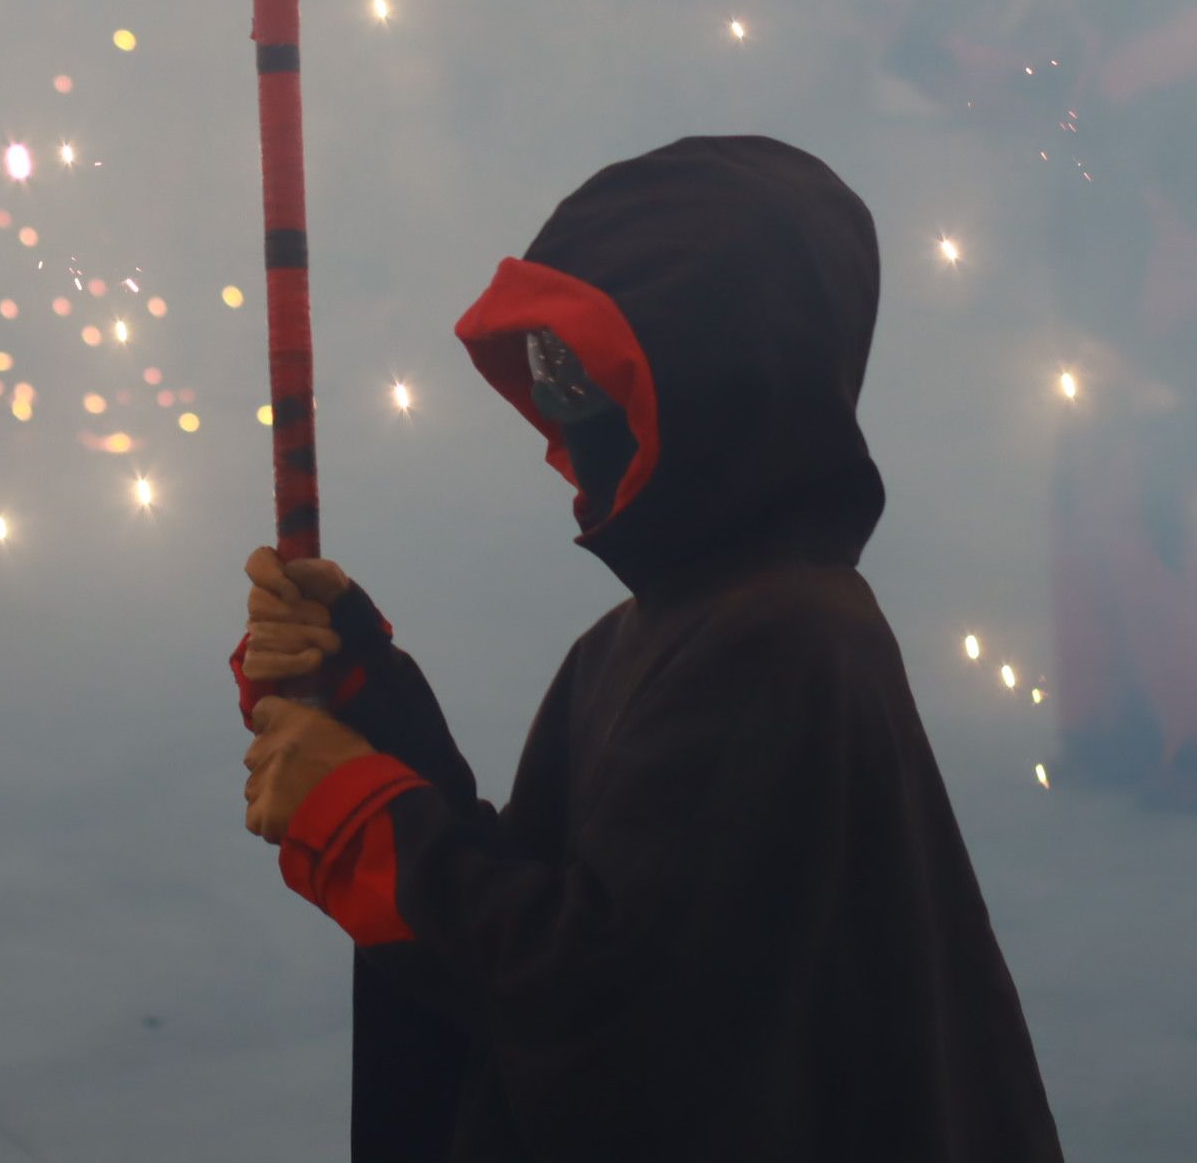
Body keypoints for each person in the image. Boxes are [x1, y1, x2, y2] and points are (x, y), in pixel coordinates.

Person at [234, 136, 1063, 1161]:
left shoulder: (780, 647)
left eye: (583, 369)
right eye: (549, 367)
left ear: (718, 381)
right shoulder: (676, 628)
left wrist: (362, 818)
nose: (562, 408)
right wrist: (361, 704)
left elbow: (601, 1001)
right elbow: (551, 888)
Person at [1038, 0, 1197, 807]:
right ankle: (1113, 719)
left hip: (1163, 346)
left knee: (1143, 517)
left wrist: (1134, 341)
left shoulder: (1196, 94)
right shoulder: (1108, 76)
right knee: (1086, 510)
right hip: (1110, 330)